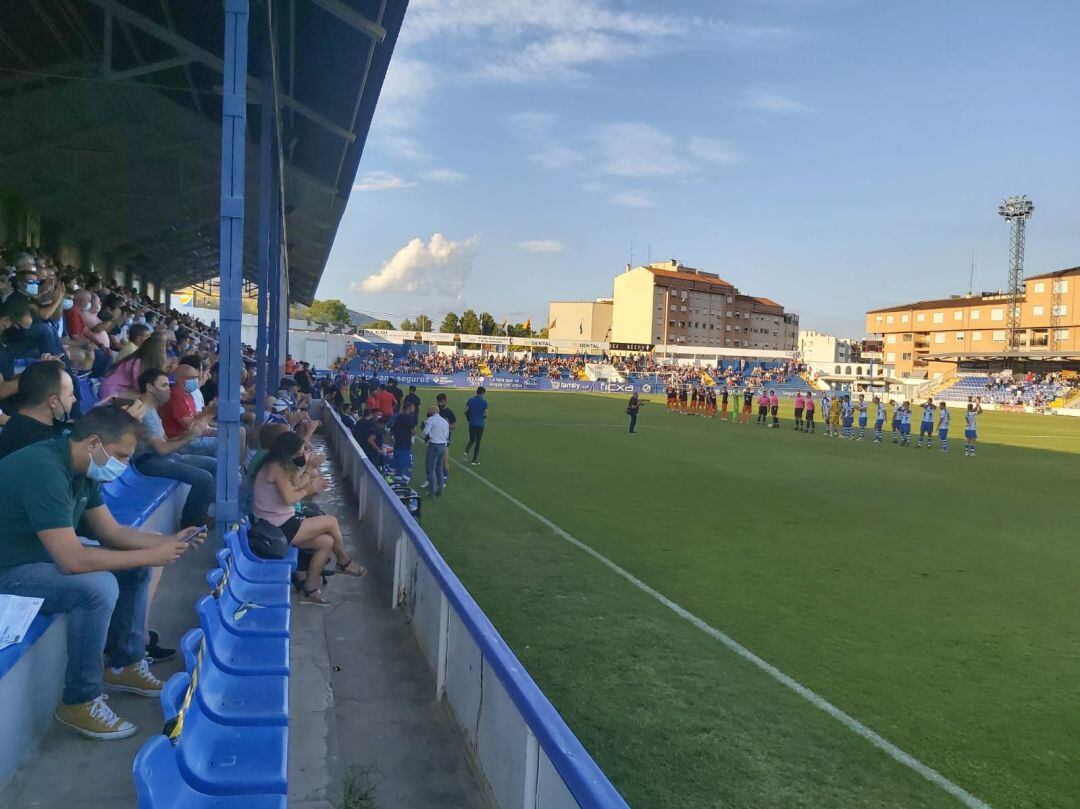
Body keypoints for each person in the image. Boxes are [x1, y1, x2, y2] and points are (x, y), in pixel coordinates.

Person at [0, 406, 198, 740]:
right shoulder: (44, 469)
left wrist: (163, 542)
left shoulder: (82, 469)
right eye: (120, 454)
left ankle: (124, 662)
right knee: (98, 588)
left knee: (134, 566)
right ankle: (80, 699)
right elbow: (72, 561)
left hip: (39, 558)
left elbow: (111, 532)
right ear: (94, 443)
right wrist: (152, 552)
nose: (122, 463)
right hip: (10, 569)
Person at [251, 431, 364, 606]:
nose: (301, 455)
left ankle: (310, 589)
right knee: (331, 522)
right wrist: (310, 489)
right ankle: (343, 561)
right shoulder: (277, 468)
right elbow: (291, 498)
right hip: (276, 527)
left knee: (326, 542)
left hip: (279, 522)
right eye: (299, 452)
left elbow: (295, 485)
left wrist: (309, 470)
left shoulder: (277, 465)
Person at [133, 369, 217, 528]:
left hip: (162, 457)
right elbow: (162, 449)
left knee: (214, 464)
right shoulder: (146, 412)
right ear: (150, 387)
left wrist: (188, 434)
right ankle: (191, 524)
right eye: (164, 385)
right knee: (204, 478)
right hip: (149, 462)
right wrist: (189, 437)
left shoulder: (152, 409)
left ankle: (201, 510)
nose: (168, 389)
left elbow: (165, 441)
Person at [0, 360, 77, 459]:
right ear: (53, 402)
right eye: (70, 394)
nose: (74, 399)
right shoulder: (44, 447)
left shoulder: (17, 423)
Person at [98, 336, 167, 401]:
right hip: (110, 392)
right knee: (147, 398)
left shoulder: (141, 360)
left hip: (120, 390)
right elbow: (140, 387)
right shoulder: (137, 362)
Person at [421, 405, 450, 496]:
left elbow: (425, 432)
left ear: (432, 412)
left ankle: (432, 491)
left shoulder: (430, 420)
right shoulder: (444, 421)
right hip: (443, 446)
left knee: (430, 468)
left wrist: (423, 435)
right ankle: (440, 489)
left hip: (434, 445)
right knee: (439, 468)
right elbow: (447, 435)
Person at [390, 401, 418, 479]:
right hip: (404, 444)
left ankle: (394, 478)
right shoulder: (407, 418)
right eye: (413, 408)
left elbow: (393, 430)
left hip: (398, 442)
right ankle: (402, 482)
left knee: (397, 461)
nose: (414, 409)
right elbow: (413, 432)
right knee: (407, 464)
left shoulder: (399, 416)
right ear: (409, 408)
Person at [435, 392, 456, 486]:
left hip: (445, 440)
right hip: (434, 439)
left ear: (445, 401)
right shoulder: (435, 411)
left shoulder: (449, 413)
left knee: (445, 460)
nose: (439, 404)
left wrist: (446, 425)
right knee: (433, 461)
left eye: (441, 402)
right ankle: (430, 478)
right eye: (438, 402)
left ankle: (444, 479)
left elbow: (454, 426)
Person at [463, 386, 487, 466]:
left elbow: (465, 411)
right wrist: (481, 417)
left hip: (472, 423)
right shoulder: (484, 402)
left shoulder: (470, 401)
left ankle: (466, 452)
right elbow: (485, 414)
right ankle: (474, 460)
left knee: (471, 439)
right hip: (480, 424)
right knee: (478, 442)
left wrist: (469, 418)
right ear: (483, 393)